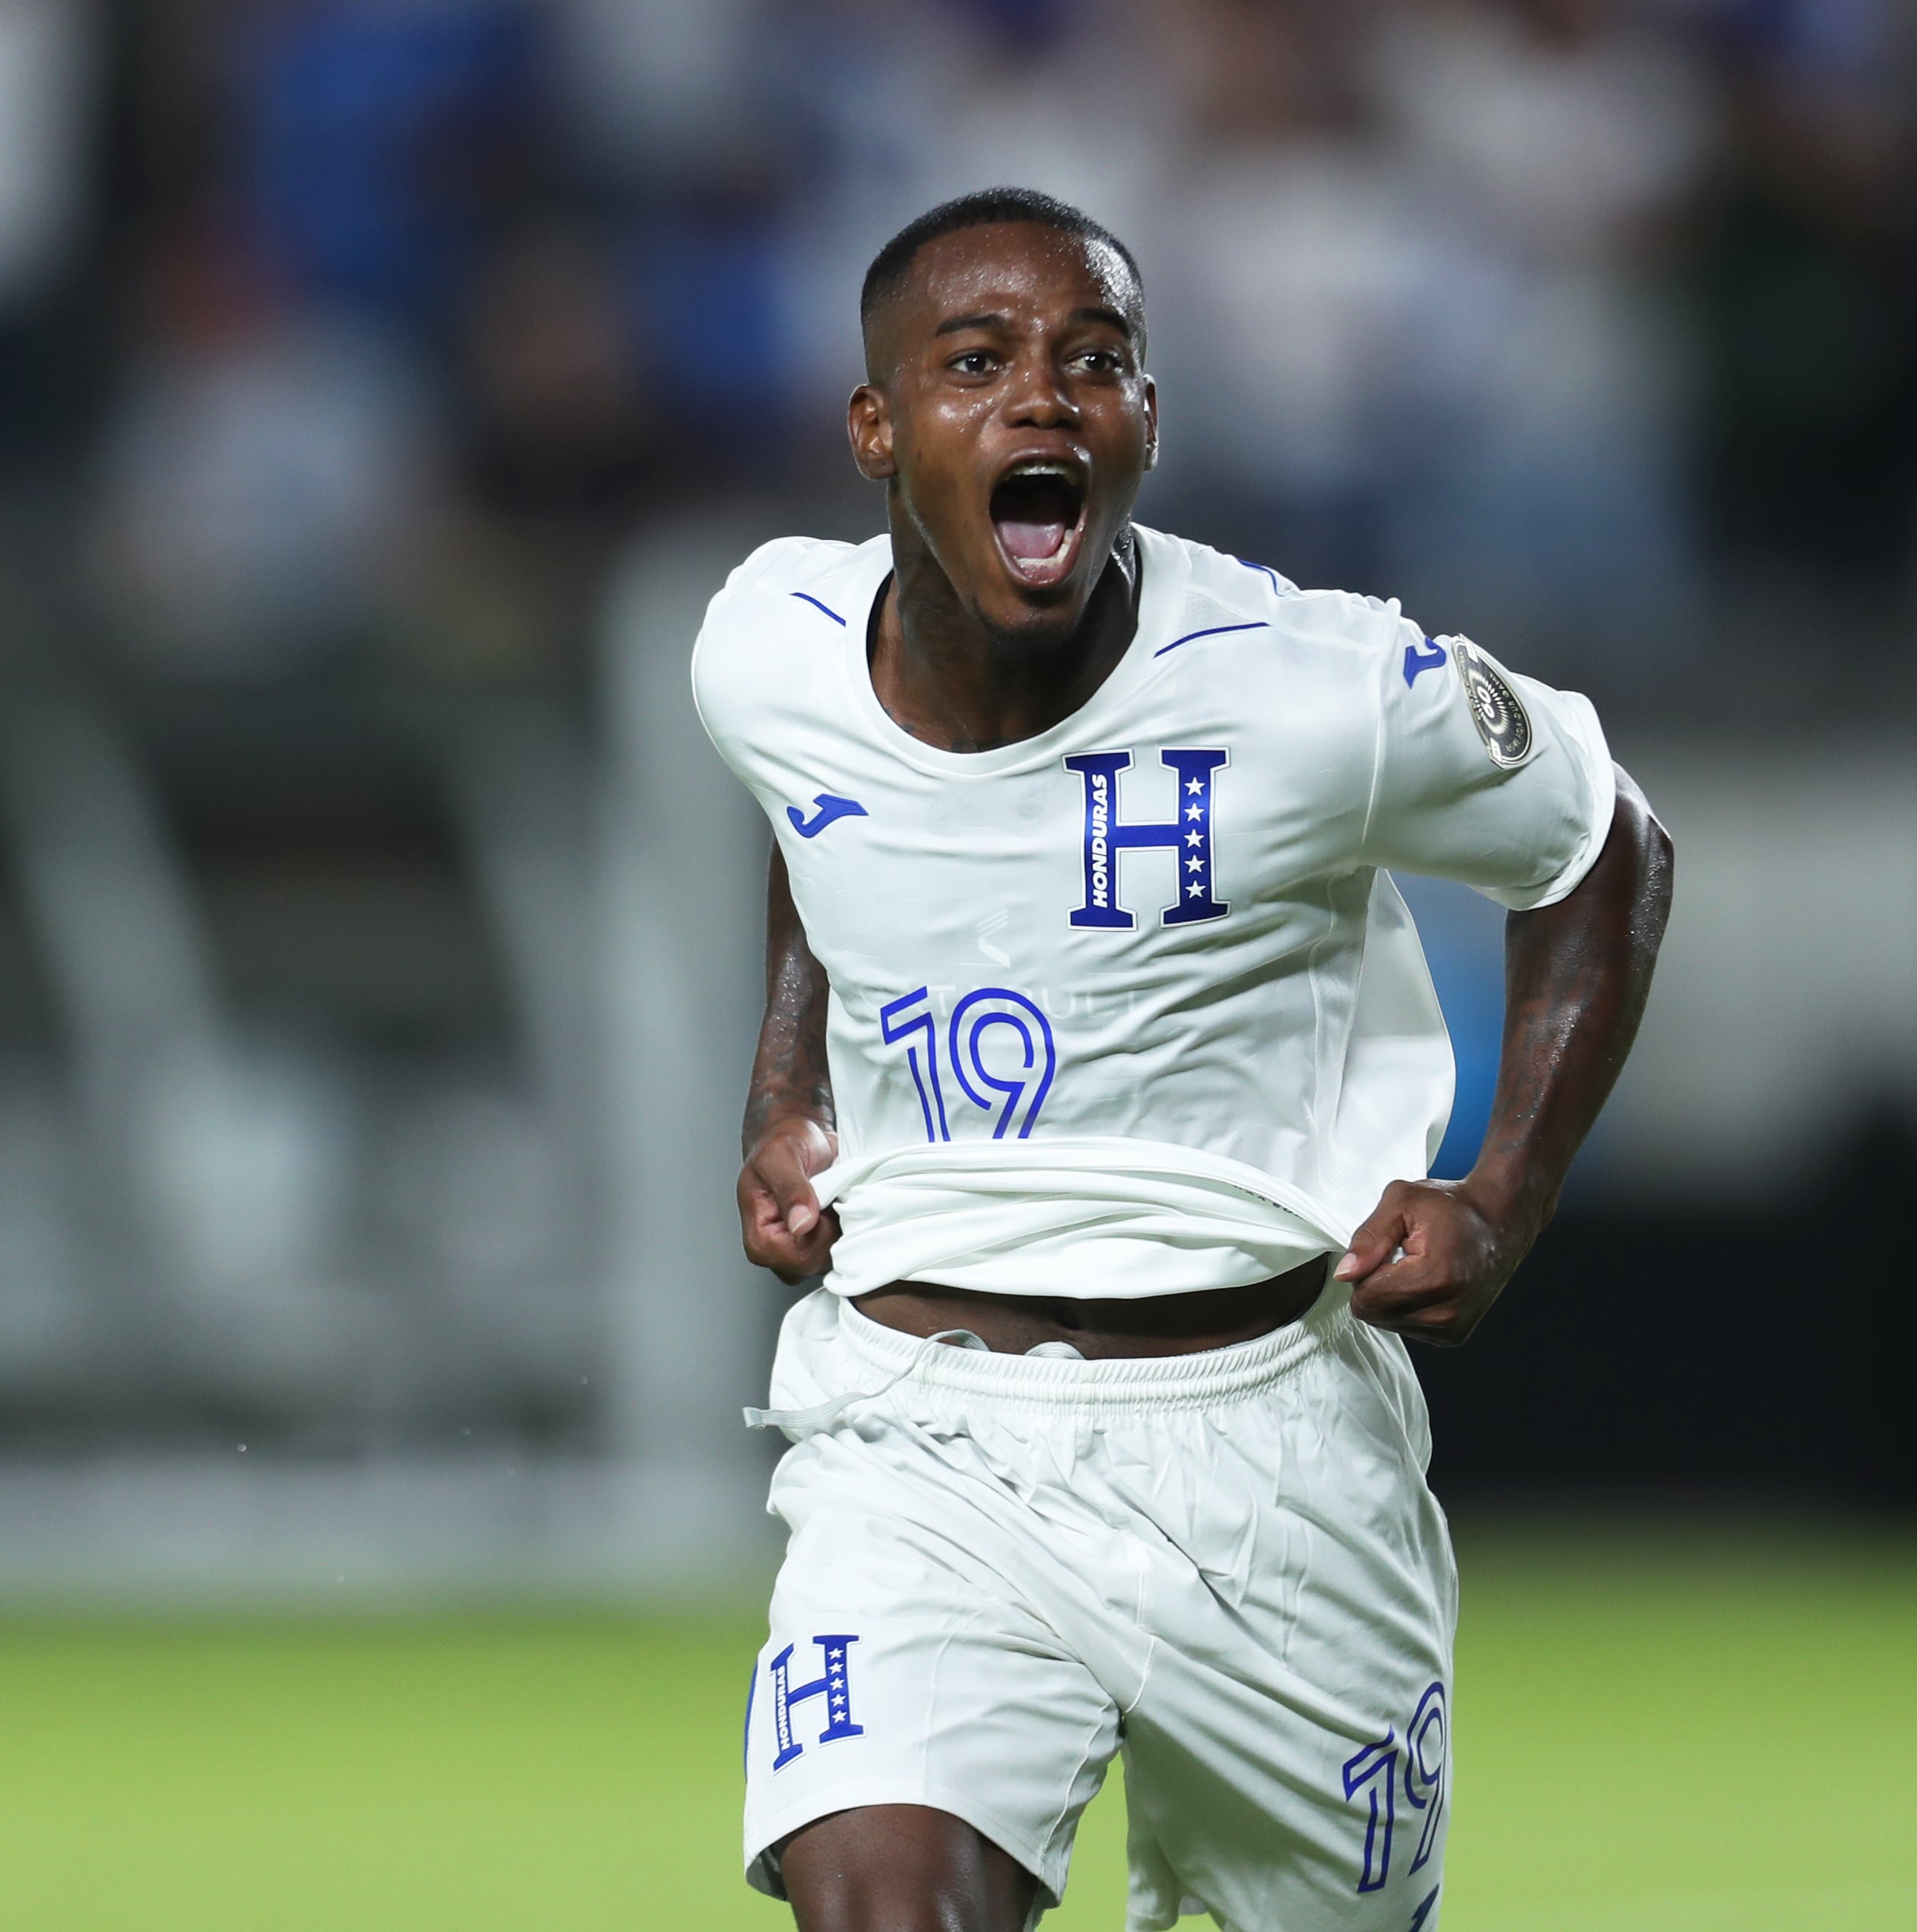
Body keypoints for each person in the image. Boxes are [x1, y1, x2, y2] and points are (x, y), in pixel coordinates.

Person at [694, 188, 1671, 1931]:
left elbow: (1606, 840)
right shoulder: (763, 649)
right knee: (880, 1901)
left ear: (1150, 420)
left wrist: (1503, 1198)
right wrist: (792, 1080)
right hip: (926, 1436)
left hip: (1271, 1446)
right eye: (976, 361)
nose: (1044, 400)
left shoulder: (1317, 694)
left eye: (1097, 363)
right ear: (875, 428)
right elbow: (816, 813)